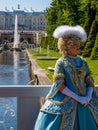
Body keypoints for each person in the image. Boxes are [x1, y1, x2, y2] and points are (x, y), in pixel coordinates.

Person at [34, 25, 98, 130]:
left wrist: (88, 96)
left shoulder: (83, 61)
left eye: (78, 44)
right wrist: (78, 98)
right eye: (75, 44)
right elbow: (59, 84)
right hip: (68, 100)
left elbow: (89, 80)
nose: (78, 47)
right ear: (66, 46)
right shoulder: (61, 62)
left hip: (86, 102)